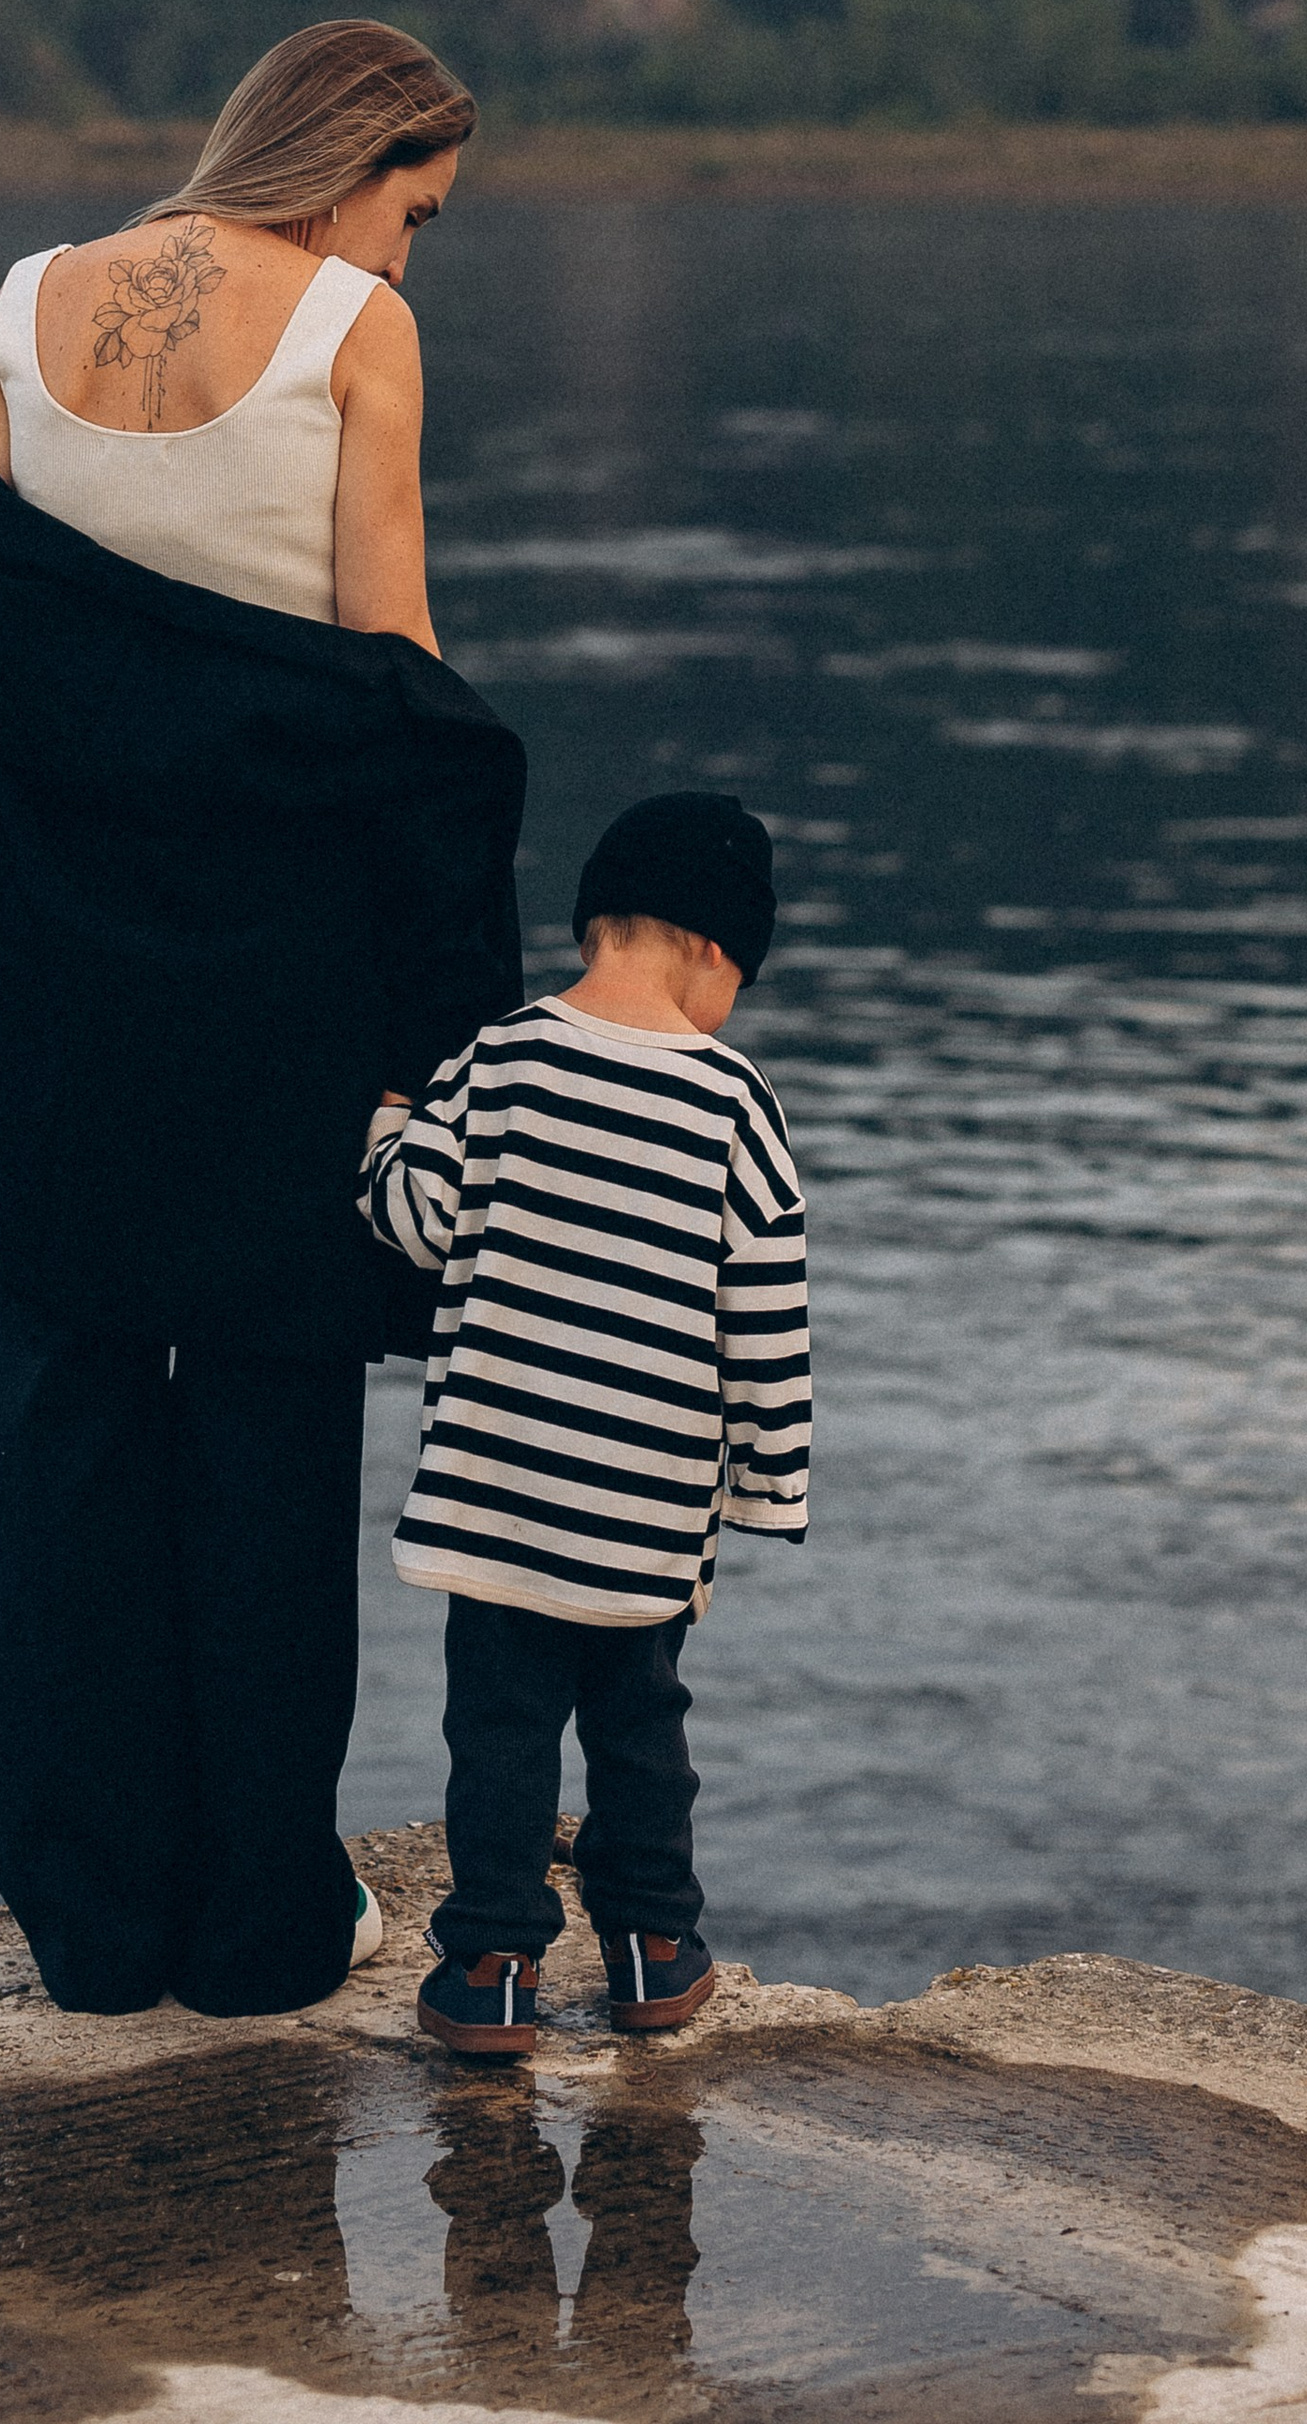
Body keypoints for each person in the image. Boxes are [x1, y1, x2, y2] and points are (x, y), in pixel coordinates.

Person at [0, 20, 527, 2021]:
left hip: (46, 959)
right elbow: (395, 680)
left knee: (58, 1423)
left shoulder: (25, 302)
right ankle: (256, 1923)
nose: (407, 253)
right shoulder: (356, 334)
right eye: (416, 211)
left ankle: (89, 1916)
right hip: (273, 963)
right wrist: (451, 1027)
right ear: (354, 161)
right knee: (267, 1432)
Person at [359, 790, 809, 2053]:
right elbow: (765, 1316)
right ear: (712, 946)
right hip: (644, 1509)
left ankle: (490, 1968)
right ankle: (652, 1949)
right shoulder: (734, 1102)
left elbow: (416, 1220)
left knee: (498, 1734)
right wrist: (767, 1483)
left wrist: (387, 1123)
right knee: (640, 1727)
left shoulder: (497, 1058)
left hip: (496, 1496)